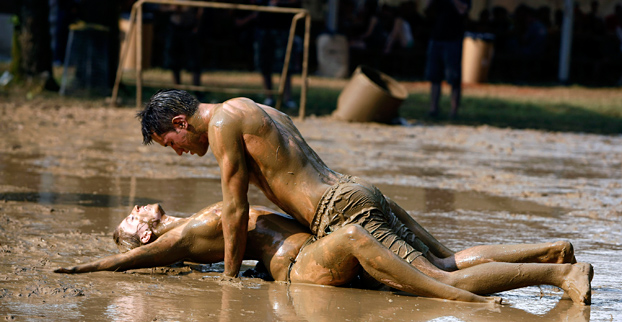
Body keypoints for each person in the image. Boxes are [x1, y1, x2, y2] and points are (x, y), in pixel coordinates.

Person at [136, 89, 592, 305]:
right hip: (356, 191)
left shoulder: (219, 127)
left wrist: (229, 278)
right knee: (448, 261)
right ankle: (553, 250)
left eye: (169, 145)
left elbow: (234, 210)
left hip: (341, 210)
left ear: (179, 123)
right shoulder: (251, 107)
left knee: (442, 284)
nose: (178, 154)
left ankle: (561, 275)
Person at [54, 203, 593, 305]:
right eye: (127, 223)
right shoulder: (185, 234)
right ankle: (554, 272)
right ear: (144, 236)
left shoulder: (200, 220)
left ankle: (552, 258)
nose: (132, 209)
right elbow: (122, 263)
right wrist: (87, 264)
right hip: (303, 267)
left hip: (310, 253)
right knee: (440, 276)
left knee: (442, 265)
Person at [423, 0, 470, 119]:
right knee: (434, 76)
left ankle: (454, 110)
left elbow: (463, 10)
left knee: (454, 77)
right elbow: (427, 11)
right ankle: (433, 108)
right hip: (436, 37)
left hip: (453, 39)